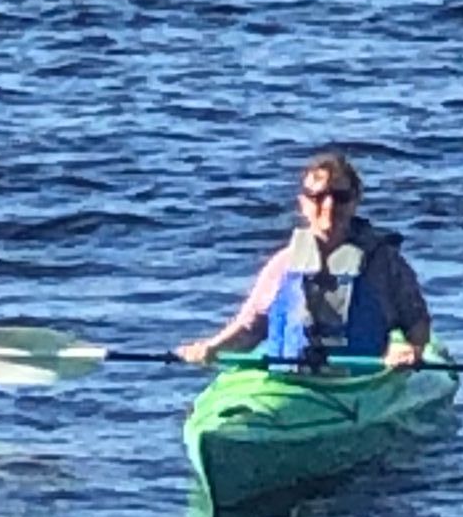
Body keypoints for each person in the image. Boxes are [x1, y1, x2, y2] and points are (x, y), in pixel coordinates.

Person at [176, 150, 432, 371]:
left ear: (356, 201)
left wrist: (411, 350)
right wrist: (211, 348)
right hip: (292, 380)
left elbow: (417, 322)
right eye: (318, 197)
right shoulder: (283, 264)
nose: (329, 206)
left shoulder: (386, 264)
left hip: (361, 380)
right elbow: (250, 328)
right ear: (303, 204)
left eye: (340, 197)